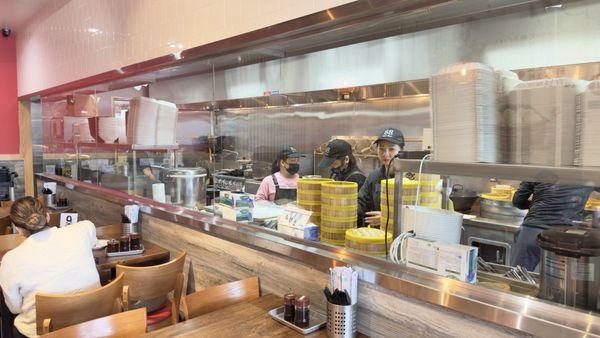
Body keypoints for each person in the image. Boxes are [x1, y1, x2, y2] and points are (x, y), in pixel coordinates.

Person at [0, 197, 100, 338]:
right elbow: (92, 238)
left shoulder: (11, 259)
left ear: (18, 229)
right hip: (92, 324)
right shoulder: (84, 229)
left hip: (43, 332)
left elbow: (14, 308)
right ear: (47, 216)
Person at [511, 182, 594, 271]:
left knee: (518, 278)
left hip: (531, 232)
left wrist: (538, 204)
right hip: (564, 237)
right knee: (558, 281)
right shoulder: (586, 176)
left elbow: (518, 201)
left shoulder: (538, 171)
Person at [357, 128, 405, 228]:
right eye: (381, 149)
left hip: (402, 235)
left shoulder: (411, 178)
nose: (386, 154)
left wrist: (387, 217)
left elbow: (417, 213)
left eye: (391, 149)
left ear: (402, 151)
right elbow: (361, 202)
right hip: (378, 236)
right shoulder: (374, 176)